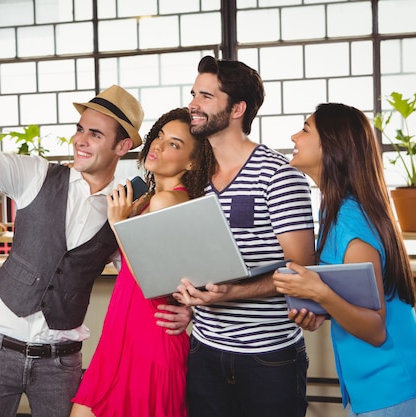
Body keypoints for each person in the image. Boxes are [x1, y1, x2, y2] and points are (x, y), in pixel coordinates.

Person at [0, 54, 192, 417]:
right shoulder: (34, 175)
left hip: (60, 362)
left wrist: (186, 312)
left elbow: (151, 278)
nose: (81, 140)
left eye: (95, 133)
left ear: (122, 147)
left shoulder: (125, 206)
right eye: (80, 129)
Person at [272, 103, 416, 417]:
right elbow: (354, 299)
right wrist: (319, 311)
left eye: (306, 129)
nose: (294, 136)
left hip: (398, 386)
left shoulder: (353, 221)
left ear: (332, 146)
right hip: (373, 391)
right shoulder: (333, 211)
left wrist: (319, 293)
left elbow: (375, 328)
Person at [174, 56, 316, 417]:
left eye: (205, 96)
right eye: (193, 94)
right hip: (203, 352)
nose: (193, 104)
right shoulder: (194, 178)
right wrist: (187, 299)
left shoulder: (279, 176)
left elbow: (301, 271)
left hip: (268, 359)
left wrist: (234, 293)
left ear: (237, 108)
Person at [70, 107, 215, 417]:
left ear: (192, 162)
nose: (158, 146)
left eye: (174, 144)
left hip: (148, 340)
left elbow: (153, 279)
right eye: (159, 136)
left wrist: (119, 224)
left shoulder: (169, 200)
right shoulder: (147, 200)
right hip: (124, 334)